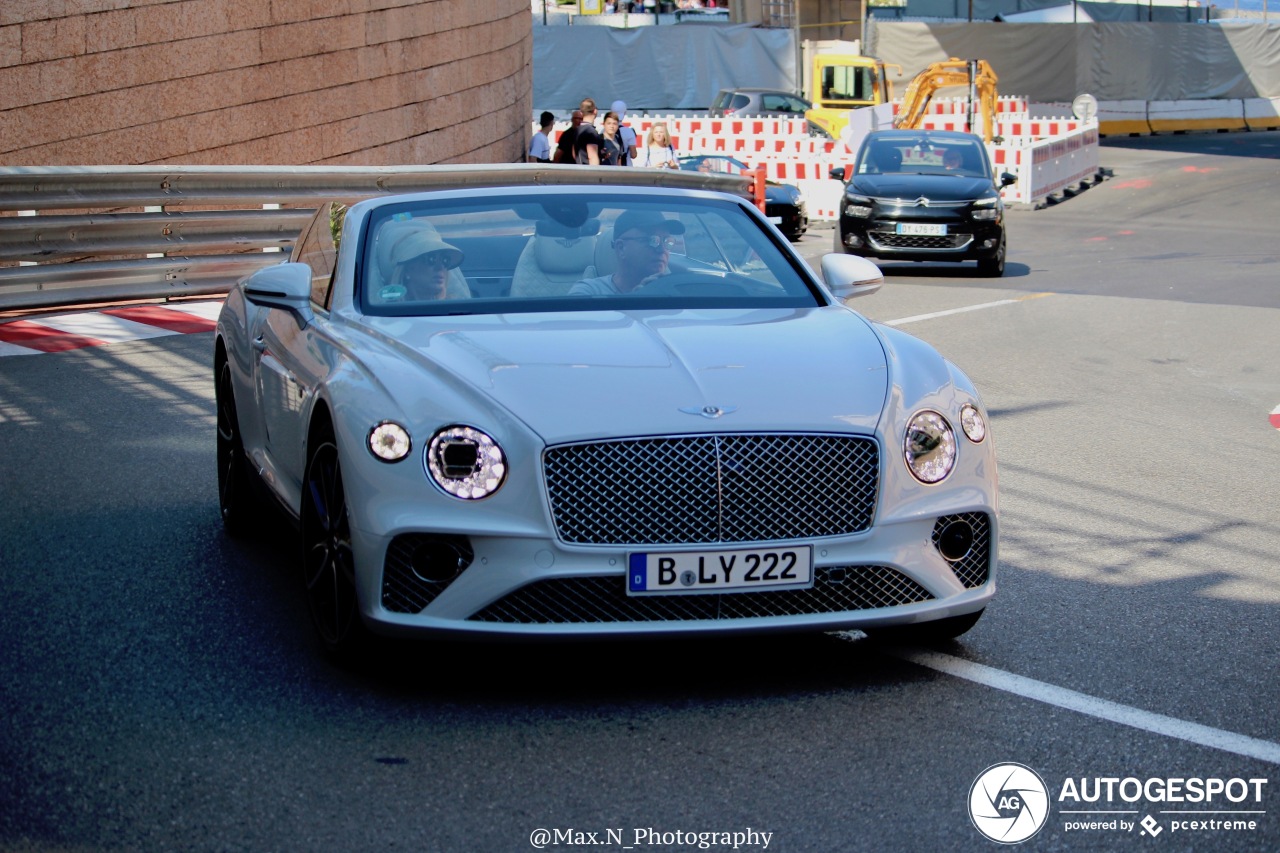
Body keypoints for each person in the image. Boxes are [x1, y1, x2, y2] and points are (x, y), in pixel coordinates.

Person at [569, 210, 685, 296]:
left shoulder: (677, 292)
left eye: (667, 241)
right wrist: (635, 300)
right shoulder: (589, 292)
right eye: (651, 240)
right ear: (621, 248)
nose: (662, 249)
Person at [386, 227, 464, 301]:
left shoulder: (455, 309)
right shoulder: (389, 311)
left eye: (445, 260)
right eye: (431, 259)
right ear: (408, 269)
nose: (440, 267)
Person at [574, 98, 601, 165]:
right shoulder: (591, 132)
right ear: (595, 111)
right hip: (588, 171)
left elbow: (574, 153)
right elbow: (592, 157)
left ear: (581, 112)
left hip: (578, 168)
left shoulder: (576, 130)